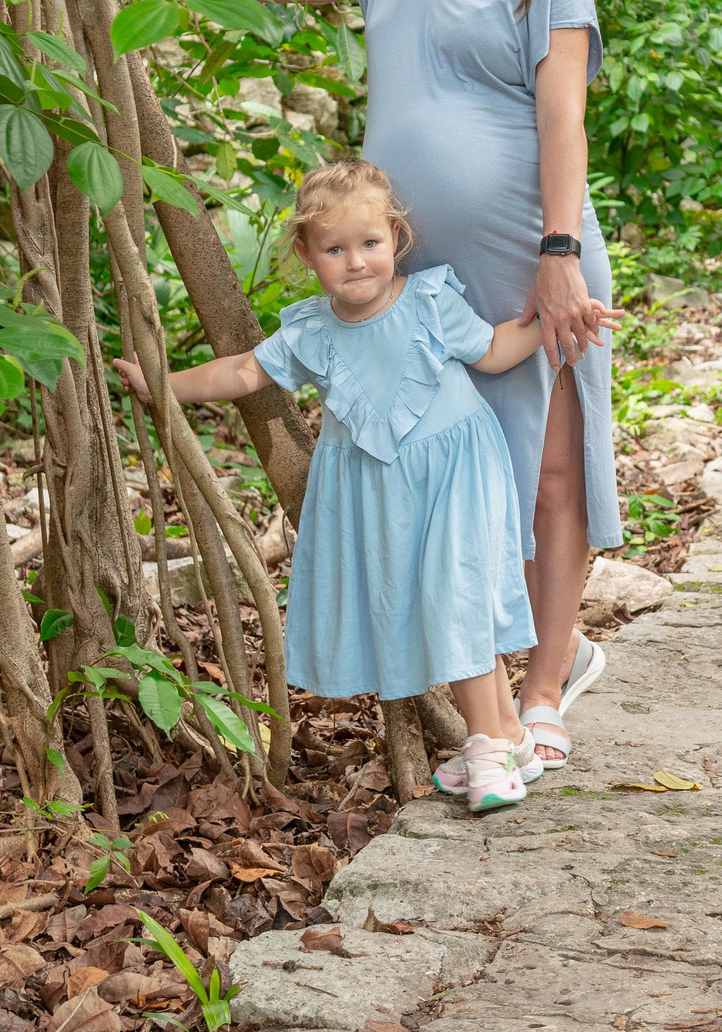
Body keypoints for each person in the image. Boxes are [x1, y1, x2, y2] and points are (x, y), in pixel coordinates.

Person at [117, 0, 621, 773]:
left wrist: (559, 253)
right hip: (407, 280)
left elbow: (562, 114)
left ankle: (543, 683)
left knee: (549, 472)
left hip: (532, 252)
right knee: (451, 474)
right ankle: (486, 676)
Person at [118, 161, 619, 813]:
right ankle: (512, 737)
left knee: (453, 603)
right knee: (438, 608)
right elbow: (242, 372)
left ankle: (486, 749)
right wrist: (161, 383)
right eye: (335, 249)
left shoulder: (430, 300)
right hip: (388, 499)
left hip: (459, 478)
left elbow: (493, 351)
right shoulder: (313, 332)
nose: (356, 262)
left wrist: (552, 321)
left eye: (370, 244)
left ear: (395, 239)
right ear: (306, 253)